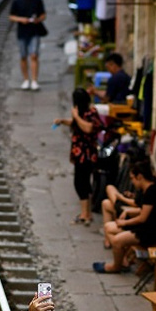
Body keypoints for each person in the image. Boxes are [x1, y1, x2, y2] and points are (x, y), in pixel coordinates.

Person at [93, 160, 156, 274]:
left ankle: (116, 266)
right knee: (108, 227)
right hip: (143, 226)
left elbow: (143, 218)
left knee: (117, 240)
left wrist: (125, 223)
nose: (132, 182)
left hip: (148, 232)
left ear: (140, 177)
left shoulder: (152, 192)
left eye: (132, 178)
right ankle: (122, 259)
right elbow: (141, 210)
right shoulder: (146, 190)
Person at [53, 89, 103, 227]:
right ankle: (86, 214)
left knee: (81, 182)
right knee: (83, 182)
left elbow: (87, 128)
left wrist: (75, 116)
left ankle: (85, 214)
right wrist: (63, 121)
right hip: (79, 153)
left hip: (85, 154)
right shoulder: (81, 112)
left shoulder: (91, 113)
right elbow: (76, 124)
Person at [9, 0, 46, 91]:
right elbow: (11, 16)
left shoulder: (37, 0)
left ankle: (34, 80)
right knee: (23, 56)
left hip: (34, 31)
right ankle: (26, 79)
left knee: (34, 55)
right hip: (22, 32)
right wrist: (21, 20)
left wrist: (38, 20)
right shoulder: (17, 1)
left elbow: (43, 15)